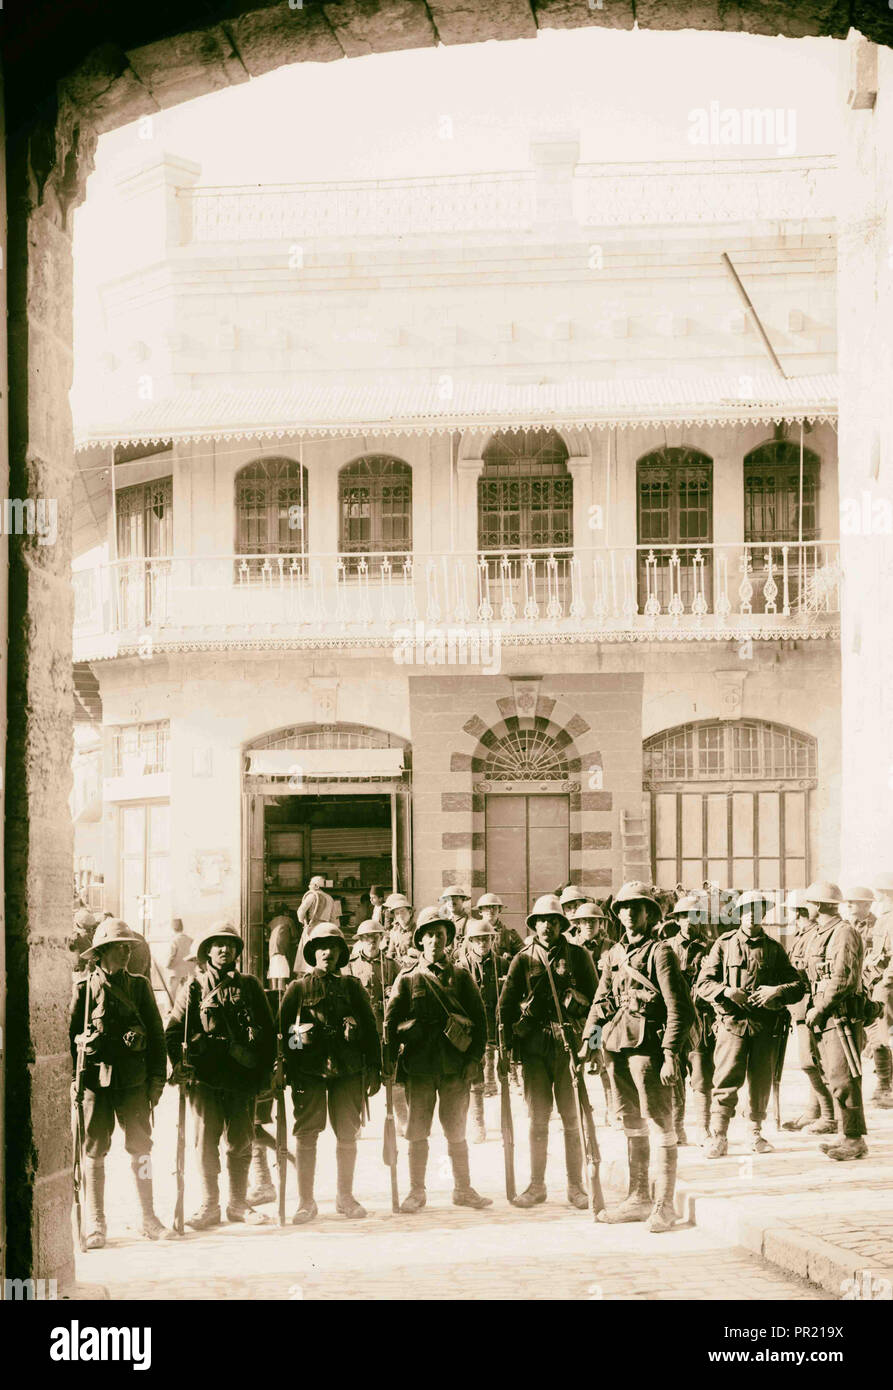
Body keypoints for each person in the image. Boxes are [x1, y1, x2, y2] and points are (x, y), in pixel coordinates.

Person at [583, 882, 693, 1233]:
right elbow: (602, 1003)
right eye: (624, 908)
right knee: (631, 1121)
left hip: (650, 1050)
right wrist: (590, 1040)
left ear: (649, 914)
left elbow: (679, 1009)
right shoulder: (613, 955)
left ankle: (664, 1204)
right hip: (616, 1048)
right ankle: (638, 1197)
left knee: (661, 1123)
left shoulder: (660, 952)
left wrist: (671, 1054)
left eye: (637, 907)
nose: (630, 913)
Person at [165, 921, 276, 1229]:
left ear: (237, 951)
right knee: (205, 1144)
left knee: (241, 1141)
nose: (224, 949)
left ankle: (238, 1204)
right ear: (207, 952)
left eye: (230, 944)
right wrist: (179, 1064)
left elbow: (268, 1032)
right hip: (205, 1080)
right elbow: (173, 1032)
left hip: (242, 1076)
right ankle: (209, 1205)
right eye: (217, 944)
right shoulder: (193, 988)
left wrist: (266, 1074)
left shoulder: (251, 986)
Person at [69, 919, 171, 1247]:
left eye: (128, 947)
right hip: (95, 1086)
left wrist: (157, 1081)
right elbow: (68, 1041)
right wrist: (76, 1071)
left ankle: (148, 1217)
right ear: (101, 953)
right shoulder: (84, 991)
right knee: (94, 1152)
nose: (127, 952)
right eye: (119, 947)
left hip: (133, 1084)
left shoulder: (140, 987)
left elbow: (157, 1036)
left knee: (142, 1151)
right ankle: (96, 1222)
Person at [383, 904, 491, 1213]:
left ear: (448, 939)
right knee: (417, 1131)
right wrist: (389, 1065)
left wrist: (474, 1060)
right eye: (428, 935)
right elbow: (390, 1026)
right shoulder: (407, 979)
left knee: (456, 1130)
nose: (434, 940)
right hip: (419, 1068)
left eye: (440, 934)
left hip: (455, 1067)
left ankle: (463, 1189)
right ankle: (416, 1191)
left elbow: (480, 1022)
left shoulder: (461, 977)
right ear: (419, 941)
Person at [498, 894, 597, 1211]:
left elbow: (597, 1005)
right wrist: (506, 1053)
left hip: (568, 1048)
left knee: (572, 1119)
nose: (547, 926)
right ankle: (537, 1185)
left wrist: (591, 1047)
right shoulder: (522, 959)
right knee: (537, 1119)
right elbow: (505, 1007)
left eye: (553, 921)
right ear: (534, 924)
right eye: (541, 920)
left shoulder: (578, 956)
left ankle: (576, 1186)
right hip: (534, 1050)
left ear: (561, 925)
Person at [279, 924, 381, 1223]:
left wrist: (374, 1066)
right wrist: (291, 1058)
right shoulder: (298, 988)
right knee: (307, 1134)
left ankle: (345, 1197)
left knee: (347, 1134)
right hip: (308, 1072)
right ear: (313, 952)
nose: (327, 952)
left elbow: (371, 1029)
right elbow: (284, 1032)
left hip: (348, 1070)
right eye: (321, 947)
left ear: (340, 953)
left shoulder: (352, 987)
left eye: (333, 947)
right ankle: (306, 1202)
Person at [697, 890, 804, 1158]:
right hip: (731, 1024)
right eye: (746, 910)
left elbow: (797, 987)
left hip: (764, 1027)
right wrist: (726, 991)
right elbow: (703, 984)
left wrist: (776, 991)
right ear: (738, 913)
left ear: (764, 914)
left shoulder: (775, 949)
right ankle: (719, 1136)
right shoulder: (723, 944)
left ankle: (754, 1133)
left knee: (760, 1080)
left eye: (757, 910)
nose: (751, 915)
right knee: (725, 1079)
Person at [801, 881, 870, 1160]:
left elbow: (843, 978)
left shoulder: (843, 933)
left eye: (809, 903)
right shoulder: (820, 933)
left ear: (817, 905)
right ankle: (846, 1135)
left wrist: (821, 1008)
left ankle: (854, 1140)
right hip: (828, 1015)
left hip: (840, 1016)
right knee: (834, 1076)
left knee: (845, 1078)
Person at [343, 917, 409, 1134]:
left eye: (375, 937)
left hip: (386, 1029)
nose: (371, 941)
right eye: (367, 938)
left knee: (394, 1076)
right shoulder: (350, 966)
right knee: (358, 1077)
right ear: (360, 940)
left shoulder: (392, 965)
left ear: (382, 939)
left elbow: (405, 996)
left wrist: (393, 995)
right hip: (361, 1031)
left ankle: (401, 1121)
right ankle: (355, 1124)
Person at [781, 888, 836, 1134]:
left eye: (798, 913)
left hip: (810, 1005)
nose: (796, 919)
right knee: (809, 1061)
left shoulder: (816, 935)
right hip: (800, 1006)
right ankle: (815, 1112)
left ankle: (828, 1116)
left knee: (811, 1062)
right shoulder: (803, 934)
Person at [569, 901, 618, 1126]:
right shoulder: (570, 948)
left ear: (601, 923)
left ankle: (613, 1109)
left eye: (593, 921)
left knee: (606, 1061)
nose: (589, 925)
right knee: (575, 1060)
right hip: (576, 1015)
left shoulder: (611, 948)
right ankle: (579, 1110)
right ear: (577, 924)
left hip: (602, 1015)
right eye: (584, 921)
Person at [455, 919, 502, 1142]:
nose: (483, 943)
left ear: (493, 940)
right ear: (470, 941)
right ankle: (477, 1120)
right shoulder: (461, 967)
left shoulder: (501, 963)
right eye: (478, 939)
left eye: (487, 938)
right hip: (470, 1024)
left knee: (496, 1065)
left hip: (494, 1021)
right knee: (473, 1070)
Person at [863, 875, 893, 1108]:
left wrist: (886, 980)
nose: (879, 896)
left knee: (883, 1036)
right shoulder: (884, 920)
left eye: (882, 891)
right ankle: (885, 1086)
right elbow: (878, 954)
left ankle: (885, 1088)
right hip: (880, 982)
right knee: (879, 1035)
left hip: (887, 984)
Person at [475, 893, 524, 960]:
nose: (491, 910)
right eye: (487, 907)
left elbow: (524, 955)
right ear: (480, 911)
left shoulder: (510, 935)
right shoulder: (472, 932)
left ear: (499, 910)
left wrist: (511, 958)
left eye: (494, 907)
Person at [385, 893, 417, 969]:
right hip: (399, 969)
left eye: (402, 911)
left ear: (410, 913)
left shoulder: (418, 930)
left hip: (416, 969)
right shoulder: (394, 932)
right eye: (397, 913)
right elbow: (390, 953)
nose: (400, 916)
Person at [165, 918, 193, 998]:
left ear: (172, 928)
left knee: (171, 994)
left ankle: (170, 1010)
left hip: (175, 972)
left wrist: (167, 966)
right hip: (187, 972)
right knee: (186, 995)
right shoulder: (190, 940)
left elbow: (171, 955)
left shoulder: (174, 940)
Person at [439, 885, 471, 953]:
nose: (451, 901)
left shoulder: (470, 922)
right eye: (448, 899)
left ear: (463, 900)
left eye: (455, 898)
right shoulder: (445, 922)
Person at [68, 906, 99, 975]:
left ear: (76, 924)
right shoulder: (96, 936)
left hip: (80, 973)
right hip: (92, 972)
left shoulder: (75, 938)